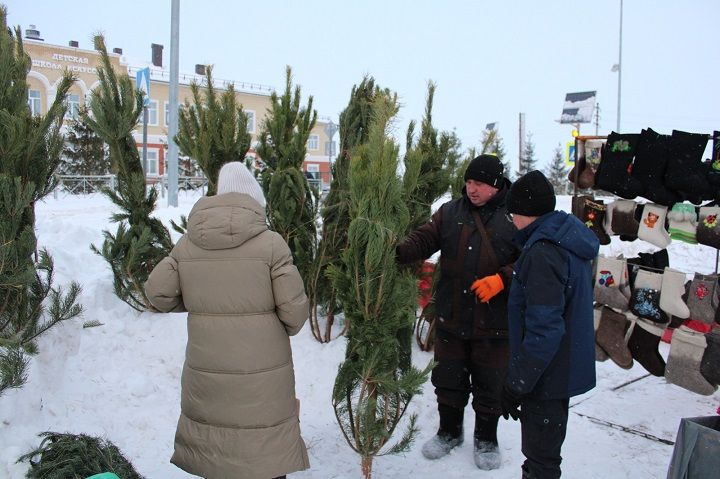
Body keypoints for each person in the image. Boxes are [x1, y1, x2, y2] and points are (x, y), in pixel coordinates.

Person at [144, 161, 310, 479]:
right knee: (265, 460)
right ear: (254, 203)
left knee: (216, 459)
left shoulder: (188, 244)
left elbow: (158, 294)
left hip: (207, 379)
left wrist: (199, 302)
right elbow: (295, 316)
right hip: (262, 383)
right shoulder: (272, 245)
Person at [396, 154, 520, 470]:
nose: (471, 189)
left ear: (495, 184)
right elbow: (425, 238)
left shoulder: (514, 216)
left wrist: (503, 279)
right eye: (468, 182)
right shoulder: (451, 212)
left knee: (489, 384)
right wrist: (399, 250)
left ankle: (486, 439)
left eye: (479, 183)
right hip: (453, 314)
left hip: (494, 322)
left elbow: (531, 260)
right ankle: (449, 432)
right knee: (448, 380)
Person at [501, 170, 599, 479]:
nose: (511, 221)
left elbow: (545, 330)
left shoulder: (544, 253)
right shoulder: (565, 236)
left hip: (546, 376)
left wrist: (517, 383)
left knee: (541, 460)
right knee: (545, 454)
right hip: (557, 369)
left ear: (524, 213)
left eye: (512, 214)